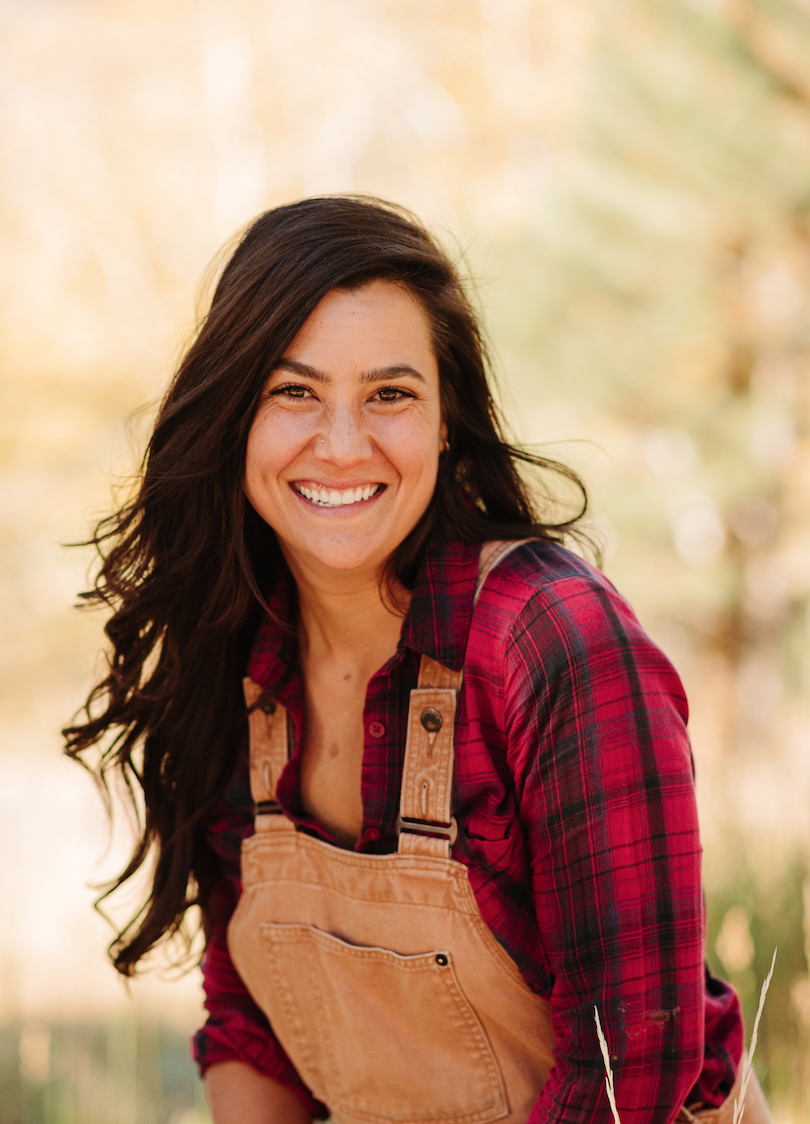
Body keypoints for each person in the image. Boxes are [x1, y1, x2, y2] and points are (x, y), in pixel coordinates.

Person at [65, 195, 766, 1124]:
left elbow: (631, 1054)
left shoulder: (555, 643)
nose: (344, 443)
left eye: (390, 394)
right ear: (237, 415)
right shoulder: (234, 656)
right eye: (294, 392)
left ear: (446, 420)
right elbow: (250, 1027)